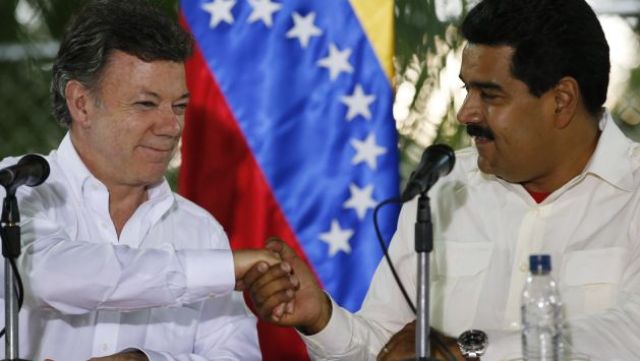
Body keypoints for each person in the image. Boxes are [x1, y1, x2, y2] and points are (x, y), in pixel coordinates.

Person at [243, 0, 640, 359]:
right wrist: (322, 318)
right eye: (468, 90)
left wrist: (466, 351)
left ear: (561, 101)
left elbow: (629, 333)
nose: (465, 114)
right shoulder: (444, 188)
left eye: (490, 95)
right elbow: (388, 346)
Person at [0, 0, 281, 359]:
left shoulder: (200, 230)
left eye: (179, 106)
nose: (172, 127)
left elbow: (238, 355)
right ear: (81, 102)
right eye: (146, 104)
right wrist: (222, 269)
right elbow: (46, 275)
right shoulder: (15, 191)